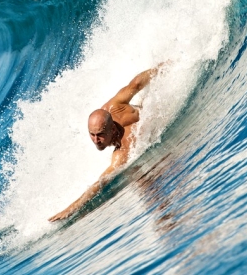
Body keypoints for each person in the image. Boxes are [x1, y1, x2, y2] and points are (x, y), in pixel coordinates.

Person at [48, 65, 163, 221]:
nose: (96, 141)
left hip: (157, 115)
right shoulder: (108, 109)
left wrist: (164, 67)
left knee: (141, 179)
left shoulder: (122, 150)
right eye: (92, 134)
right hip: (147, 118)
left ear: (112, 129)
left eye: (100, 135)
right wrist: (70, 207)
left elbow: (136, 83)